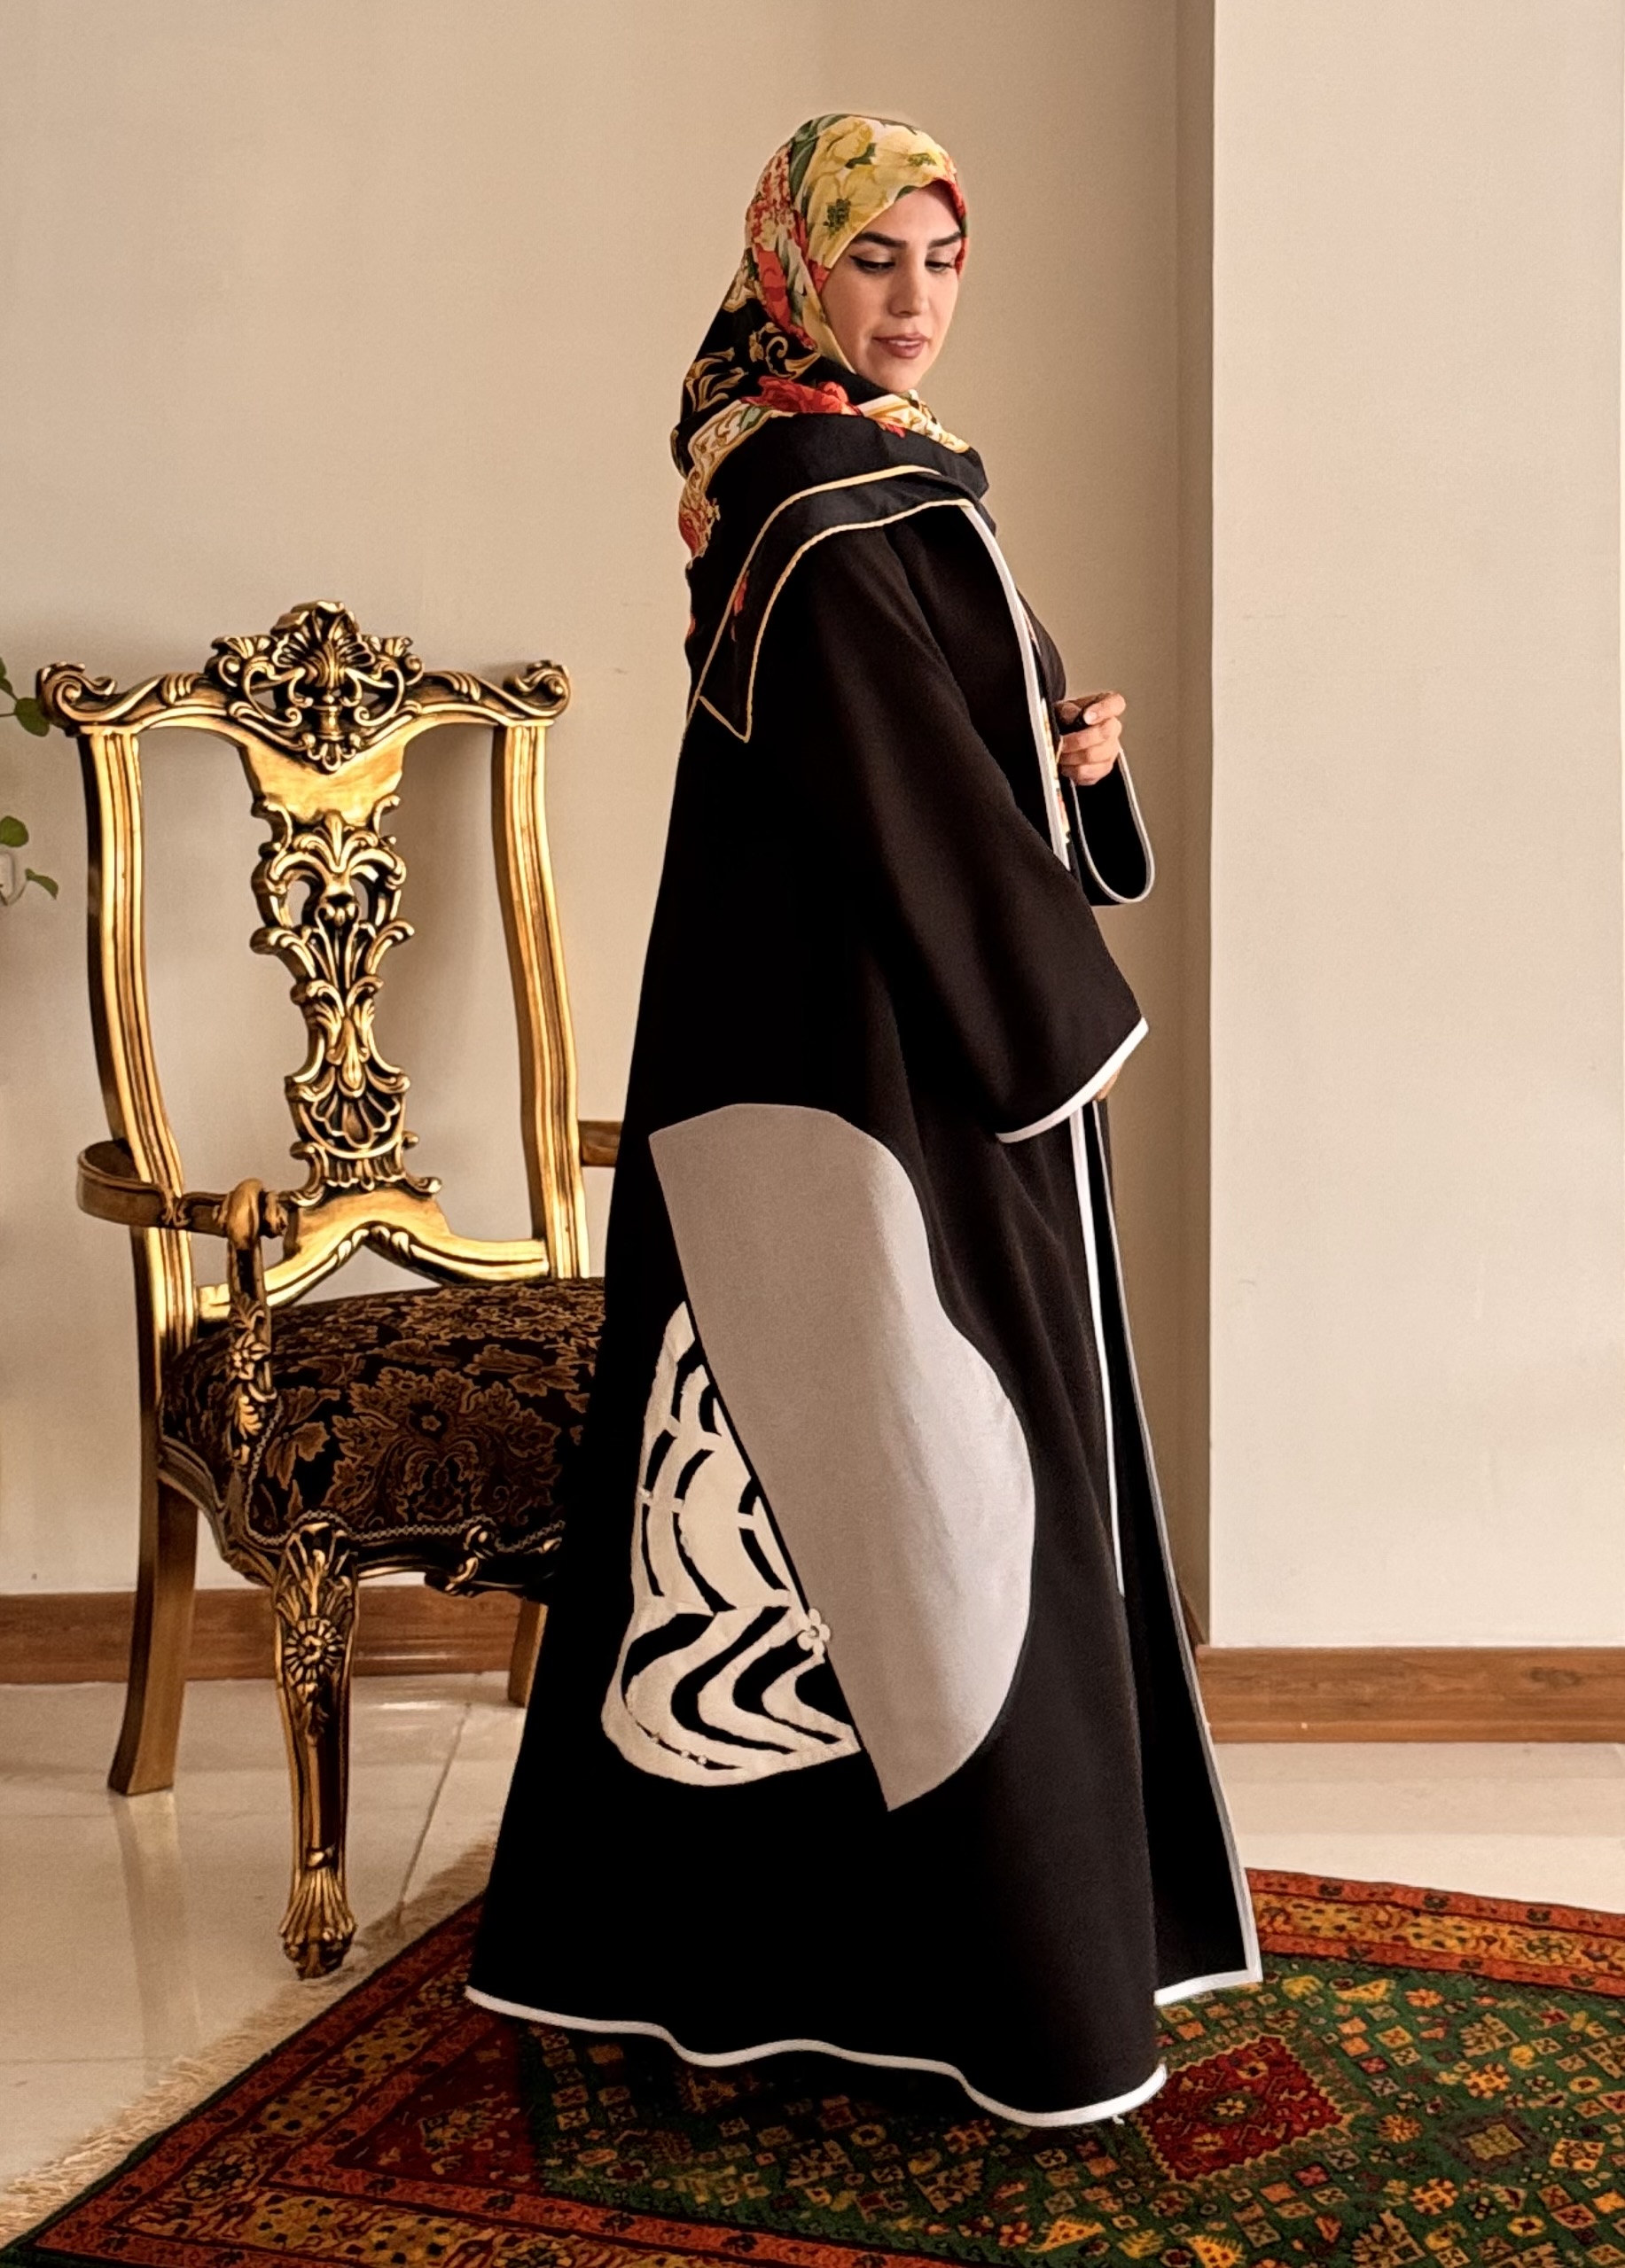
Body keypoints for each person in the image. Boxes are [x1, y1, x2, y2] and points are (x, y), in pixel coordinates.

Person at [470, 112, 1261, 2127]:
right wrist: (1052, 1015)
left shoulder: (869, 473)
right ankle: (907, 1991)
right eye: (872, 259)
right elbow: (898, 796)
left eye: (940, 258)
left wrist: (1072, 765)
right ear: (792, 270)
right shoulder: (803, 501)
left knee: (890, 1508)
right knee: (884, 1504)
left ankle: (840, 1975)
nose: (911, 299)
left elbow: (949, 758)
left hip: (895, 1054)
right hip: (861, 1079)